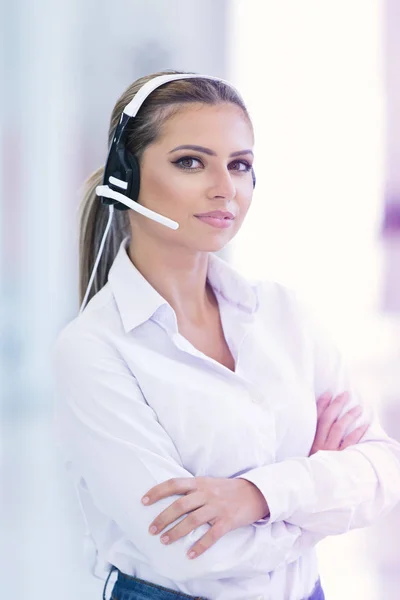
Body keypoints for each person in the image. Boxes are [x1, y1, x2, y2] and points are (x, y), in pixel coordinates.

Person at [52, 70, 400, 600]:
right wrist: (315, 493)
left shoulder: (283, 312)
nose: (224, 188)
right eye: (190, 162)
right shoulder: (95, 350)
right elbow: (193, 550)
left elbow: (381, 471)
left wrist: (256, 497)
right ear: (127, 175)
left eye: (240, 165)